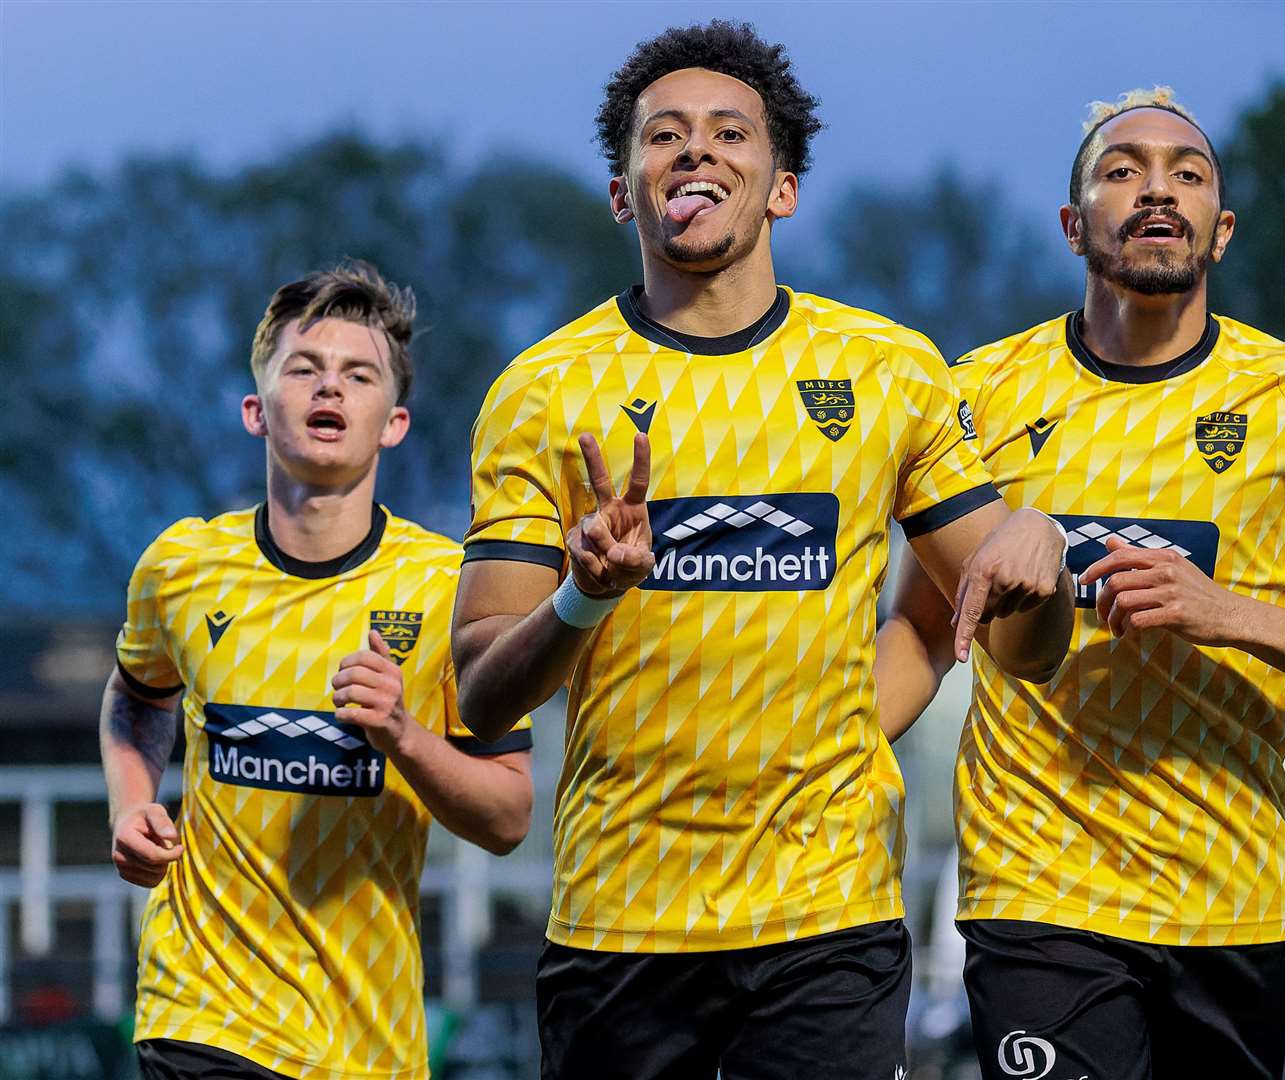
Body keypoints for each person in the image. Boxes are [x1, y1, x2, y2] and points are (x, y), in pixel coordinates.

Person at [452, 21, 1073, 1080]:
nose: (694, 152)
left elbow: (1024, 650)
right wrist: (581, 599)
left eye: (728, 133)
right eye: (663, 137)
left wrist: (1041, 547)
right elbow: (478, 693)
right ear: (621, 192)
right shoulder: (542, 391)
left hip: (826, 920)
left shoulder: (886, 371)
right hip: (619, 926)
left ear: (780, 187)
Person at [875, 87, 1285, 1079]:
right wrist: (823, 753)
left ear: (1218, 231)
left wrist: (1223, 612)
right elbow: (925, 632)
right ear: (1071, 224)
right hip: (1036, 892)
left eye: (1186, 175)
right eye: (1121, 169)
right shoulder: (976, 397)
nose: (1155, 190)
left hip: (1228, 899)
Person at [102, 262, 535, 1080]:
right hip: (203, 1013)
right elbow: (135, 696)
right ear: (256, 411)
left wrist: (404, 734)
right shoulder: (181, 566)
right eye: (303, 369)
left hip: (368, 1041)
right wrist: (130, 806)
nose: (328, 387)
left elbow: (507, 817)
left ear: (394, 422)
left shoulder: (448, 589)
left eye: (357, 373)